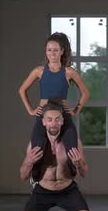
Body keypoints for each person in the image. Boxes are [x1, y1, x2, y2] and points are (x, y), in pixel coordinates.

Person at [12, 100, 94, 211]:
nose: (54, 123)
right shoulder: (35, 143)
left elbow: (85, 172)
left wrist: (79, 162)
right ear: (44, 122)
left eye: (57, 119)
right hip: (43, 190)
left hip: (68, 189)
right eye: (50, 119)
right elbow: (23, 175)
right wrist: (28, 161)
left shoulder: (73, 143)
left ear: (63, 121)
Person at [18, 32, 90, 178]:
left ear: (62, 51)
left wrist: (75, 110)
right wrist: (31, 110)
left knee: (72, 149)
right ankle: (37, 180)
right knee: (37, 148)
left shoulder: (69, 72)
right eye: (49, 50)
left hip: (63, 114)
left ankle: (69, 178)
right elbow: (22, 90)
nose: (52, 53)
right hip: (43, 115)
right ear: (46, 51)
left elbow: (86, 93)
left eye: (56, 50)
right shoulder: (39, 71)